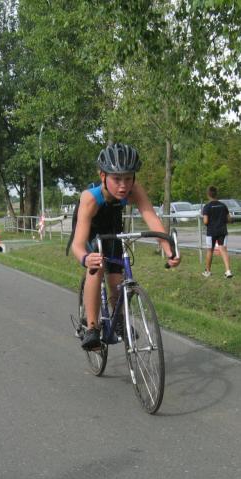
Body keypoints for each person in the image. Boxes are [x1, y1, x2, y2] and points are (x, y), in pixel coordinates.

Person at [71, 142, 181, 350]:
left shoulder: (134, 190)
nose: (123, 186)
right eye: (116, 179)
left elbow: (151, 218)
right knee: (96, 266)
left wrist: (169, 250)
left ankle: (119, 319)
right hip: (91, 228)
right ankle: (92, 327)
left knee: (116, 277)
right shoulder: (90, 198)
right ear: (103, 176)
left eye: (128, 178)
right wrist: (86, 258)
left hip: (112, 224)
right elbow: (77, 245)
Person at [201, 186, 233, 278]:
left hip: (211, 232)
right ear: (216, 194)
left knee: (210, 251)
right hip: (222, 231)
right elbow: (229, 219)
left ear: (208, 194)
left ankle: (207, 271)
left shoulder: (207, 206)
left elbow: (205, 221)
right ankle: (228, 271)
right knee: (223, 250)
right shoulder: (223, 205)